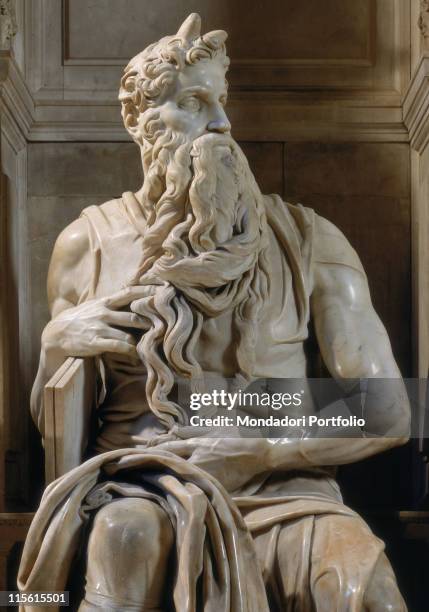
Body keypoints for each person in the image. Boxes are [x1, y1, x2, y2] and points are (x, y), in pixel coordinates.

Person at [19, 14, 410, 612]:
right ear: (138, 121)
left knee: (370, 593)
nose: (223, 124)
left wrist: (263, 449)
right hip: (147, 481)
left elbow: (387, 407)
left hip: (286, 484)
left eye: (223, 102)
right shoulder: (87, 243)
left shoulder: (309, 237)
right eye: (196, 103)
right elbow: (58, 420)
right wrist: (57, 340)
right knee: (123, 541)